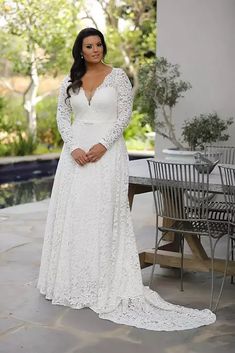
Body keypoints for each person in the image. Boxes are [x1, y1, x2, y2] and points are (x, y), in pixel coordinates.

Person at [37, 27, 216, 331]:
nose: (96, 50)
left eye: (99, 45)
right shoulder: (70, 81)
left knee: (104, 215)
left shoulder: (117, 76)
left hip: (106, 154)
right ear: (81, 51)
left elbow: (123, 117)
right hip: (75, 154)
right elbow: (61, 118)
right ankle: (72, 281)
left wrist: (100, 145)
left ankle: (103, 281)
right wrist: (75, 147)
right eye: (89, 46)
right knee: (75, 214)